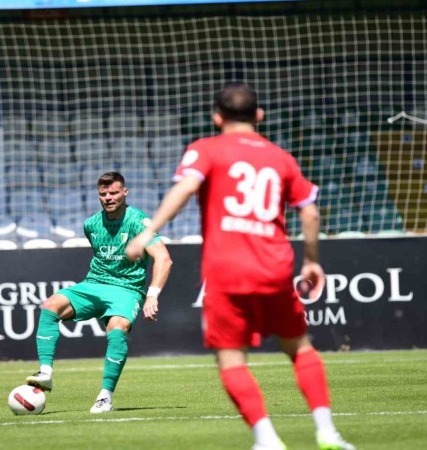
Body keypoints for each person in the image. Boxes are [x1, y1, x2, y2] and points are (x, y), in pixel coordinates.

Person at [126, 83, 354, 450]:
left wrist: (147, 232)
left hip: (227, 271)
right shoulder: (280, 157)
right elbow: (310, 212)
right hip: (275, 269)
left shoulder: (206, 149)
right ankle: (327, 432)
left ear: (217, 117)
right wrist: (311, 261)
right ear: (259, 115)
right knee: (300, 349)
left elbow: (185, 189)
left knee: (231, 358)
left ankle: (266, 440)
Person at [26, 171, 173, 413]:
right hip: (93, 284)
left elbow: (164, 260)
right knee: (50, 305)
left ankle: (105, 396)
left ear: (125, 192)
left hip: (126, 289)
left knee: (117, 328)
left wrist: (152, 295)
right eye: (103, 194)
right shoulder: (91, 224)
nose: (108, 197)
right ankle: (45, 372)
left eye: (113, 192)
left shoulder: (139, 222)